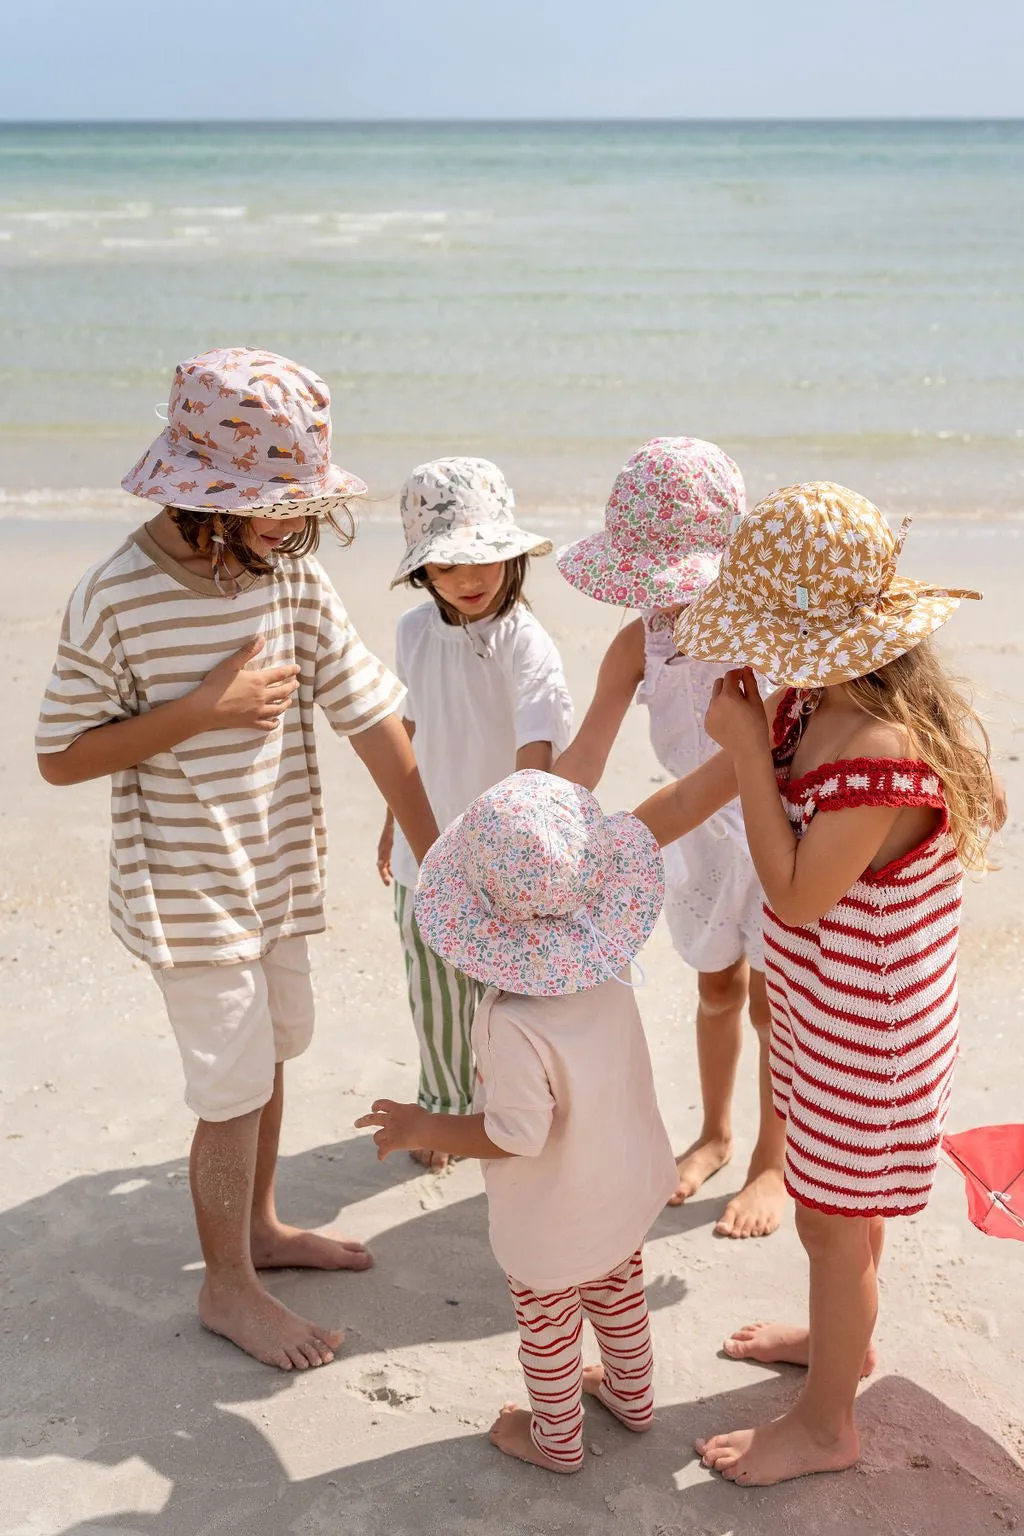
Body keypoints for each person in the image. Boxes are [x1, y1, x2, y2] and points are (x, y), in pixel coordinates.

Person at [35, 346, 438, 1373]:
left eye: (302, 507)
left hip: (276, 871)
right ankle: (226, 1285)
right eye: (272, 507)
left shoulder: (291, 570)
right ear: (199, 497)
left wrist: (437, 848)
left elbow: (369, 711)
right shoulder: (114, 596)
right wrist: (198, 712)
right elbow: (59, 758)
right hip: (184, 887)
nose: (295, 526)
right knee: (228, 1087)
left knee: (272, 1053)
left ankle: (257, 1230)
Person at [634, 481, 1000, 1485]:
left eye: (760, 631)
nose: (747, 654)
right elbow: (698, 795)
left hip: (873, 1038)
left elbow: (793, 897)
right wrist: (600, 849)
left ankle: (827, 1422)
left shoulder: (879, 753)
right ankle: (845, 1345)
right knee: (830, 1212)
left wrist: (749, 750)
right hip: (824, 1014)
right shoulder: (809, 711)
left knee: (835, 1226)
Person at [358, 770, 676, 1474]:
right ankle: (634, 1397)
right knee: (620, 1294)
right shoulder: (606, 970)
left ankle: (555, 1440)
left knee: (549, 1324)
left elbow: (514, 1135)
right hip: (621, 1187)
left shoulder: (513, 1023)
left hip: (554, 1212)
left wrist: (424, 1127)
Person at [554, 438, 785, 1238]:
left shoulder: (766, 645)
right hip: (698, 849)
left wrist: (623, 840)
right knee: (716, 986)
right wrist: (536, 815)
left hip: (777, 830)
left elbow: (729, 775)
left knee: (775, 1006)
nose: (665, 602)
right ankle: (716, 1133)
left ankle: (769, 1160)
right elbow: (586, 753)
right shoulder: (638, 643)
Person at [376, 458, 573, 1168]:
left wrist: (520, 849)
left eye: (487, 554)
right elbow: (409, 731)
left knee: (503, 998)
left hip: (501, 859)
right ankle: (444, 1110)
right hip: (422, 853)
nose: (470, 575)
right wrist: (393, 821)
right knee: (434, 997)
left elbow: (538, 745)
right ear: (422, 569)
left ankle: (509, 1108)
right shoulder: (412, 633)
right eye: (449, 560)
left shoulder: (526, 640)